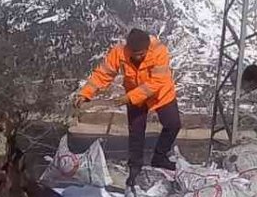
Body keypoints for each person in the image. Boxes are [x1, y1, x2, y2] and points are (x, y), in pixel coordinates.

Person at [75, 27, 180, 183]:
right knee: (136, 133)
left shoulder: (159, 51)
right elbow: (103, 74)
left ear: (147, 48)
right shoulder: (119, 52)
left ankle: (159, 157)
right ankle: (135, 168)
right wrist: (86, 93)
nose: (138, 57)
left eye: (141, 54)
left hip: (160, 94)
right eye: (135, 54)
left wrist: (129, 98)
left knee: (173, 124)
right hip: (134, 96)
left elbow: (157, 82)